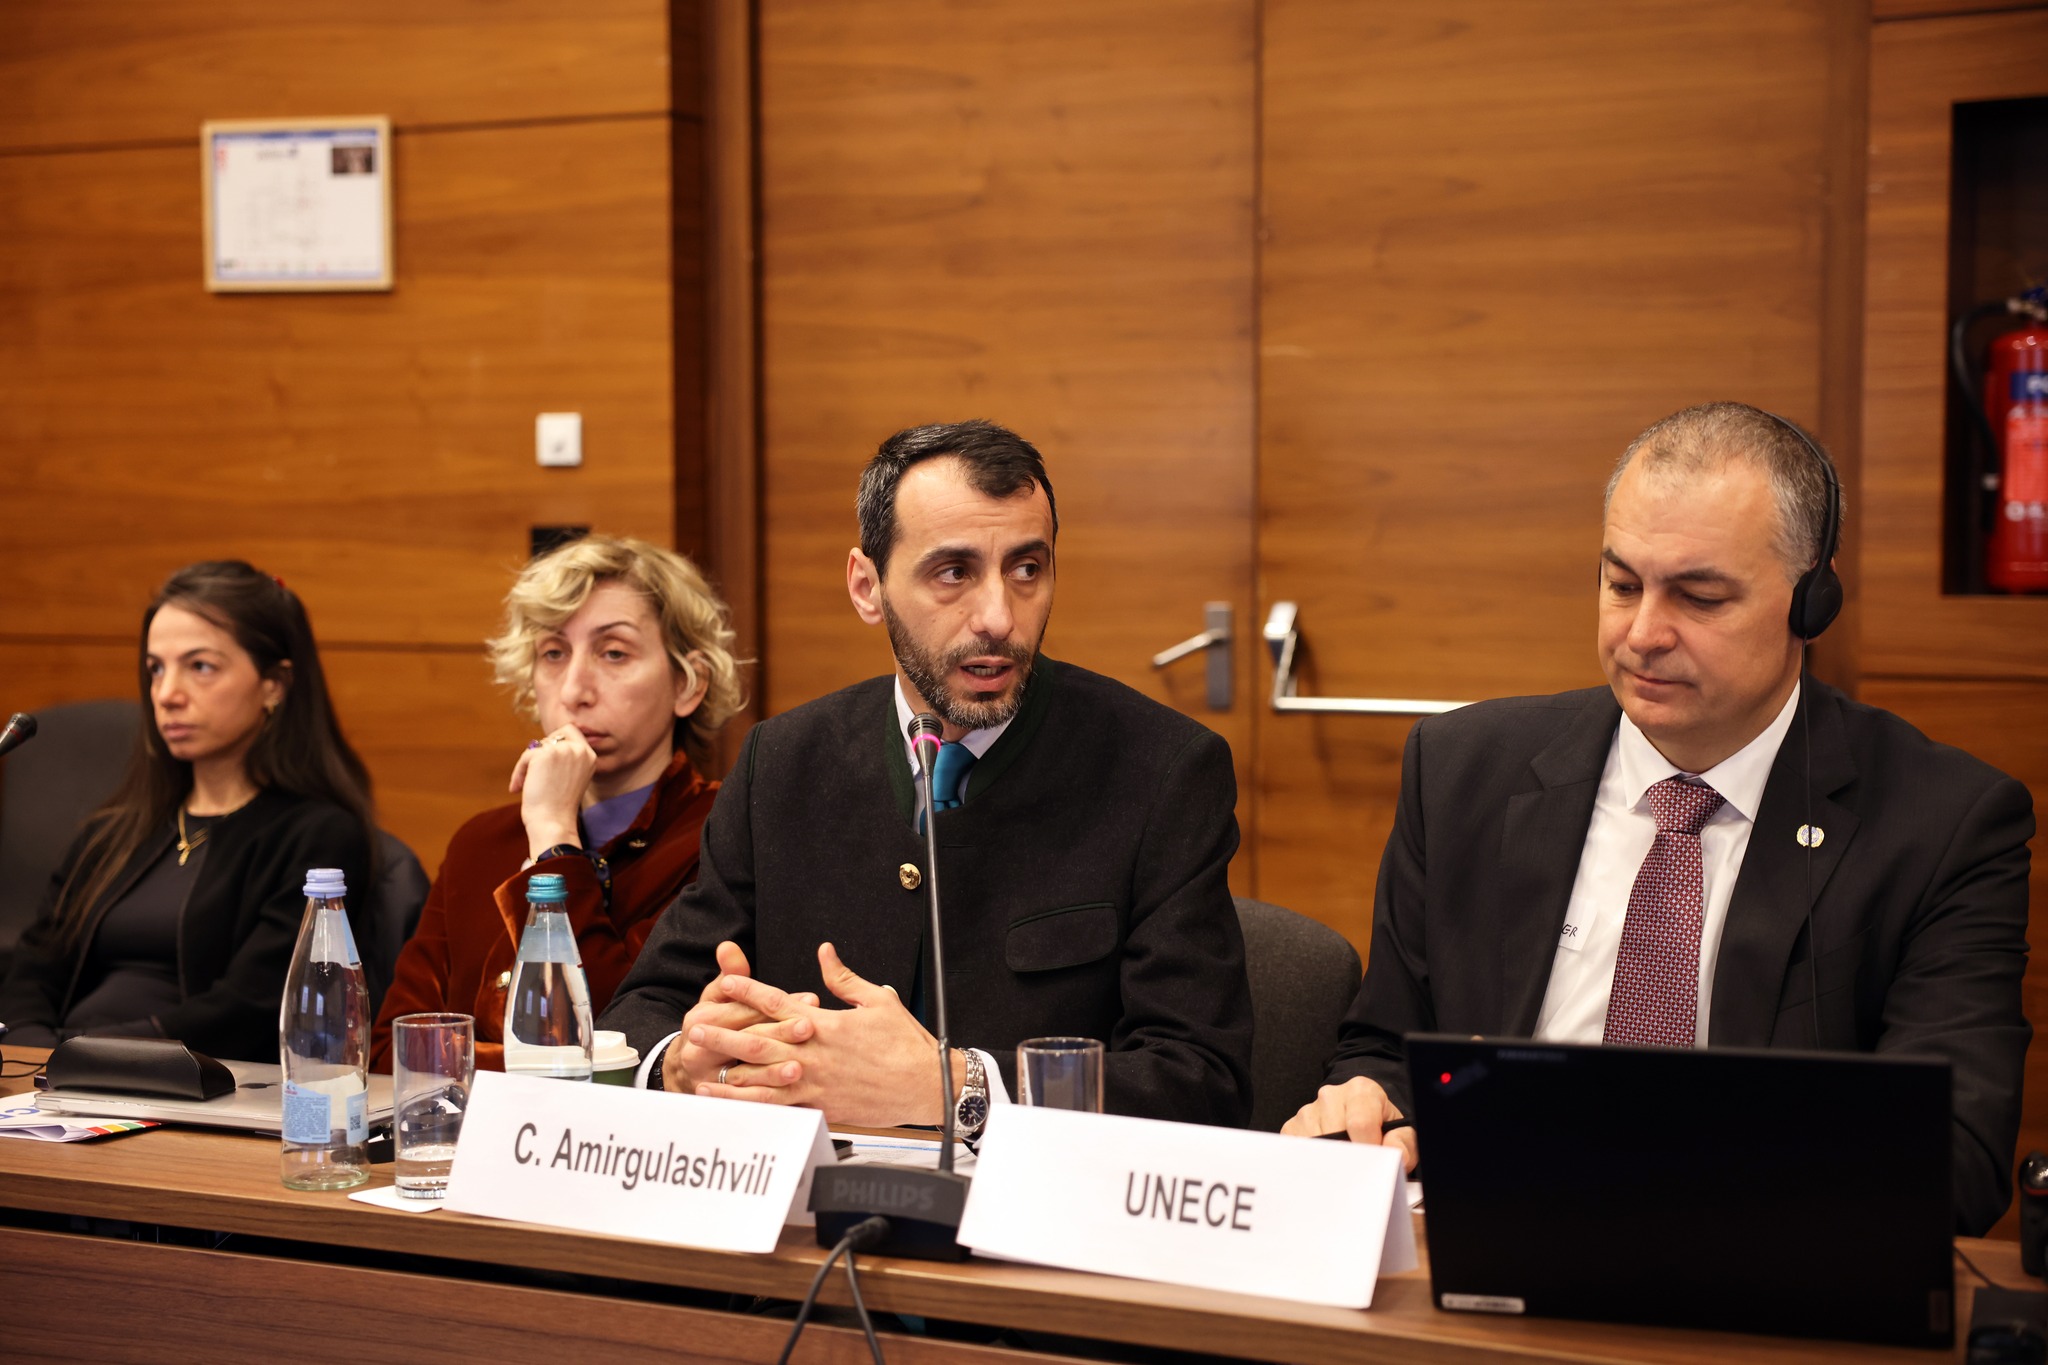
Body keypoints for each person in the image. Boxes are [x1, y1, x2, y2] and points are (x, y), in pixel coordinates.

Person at [1284, 402, 2033, 1236]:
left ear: (1811, 602)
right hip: (1482, 1252)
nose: (1643, 633)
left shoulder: (1946, 824)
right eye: (1622, 585)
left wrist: (1657, 1179)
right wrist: (1367, 1104)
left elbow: (1957, 1156)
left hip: (1754, 1272)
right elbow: (1388, 1046)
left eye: (1699, 597)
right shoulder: (1461, 770)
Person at [601, 420, 1254, 1130]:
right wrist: (677, 1064)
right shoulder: (781, 764)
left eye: (1026, 569)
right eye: (954, 573)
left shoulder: (1162, 770)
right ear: (867, 587)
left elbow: (1201, 1079)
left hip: (1029, 1193)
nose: (998, 617)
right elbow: (641, 1011)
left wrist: (959, 1086)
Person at [370, 534, 741, 1072]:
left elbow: (624, 1047)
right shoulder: (481, 842)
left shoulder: (724, 835)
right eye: (553, 653)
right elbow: (392, 1055)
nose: (573, 690)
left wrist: (552, 835)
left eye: (614, 653)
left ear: (688, 684)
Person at [0, 562, 377, 1061]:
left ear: (275, 684)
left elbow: (248, 1009)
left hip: (193, 1082)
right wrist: (29, 1048)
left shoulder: (318, 837)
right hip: (57, 1077)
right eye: (156, 668)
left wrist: (80, 1054)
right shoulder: (117, 829)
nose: (166, 695)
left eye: (200, 667)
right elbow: (33, 966)